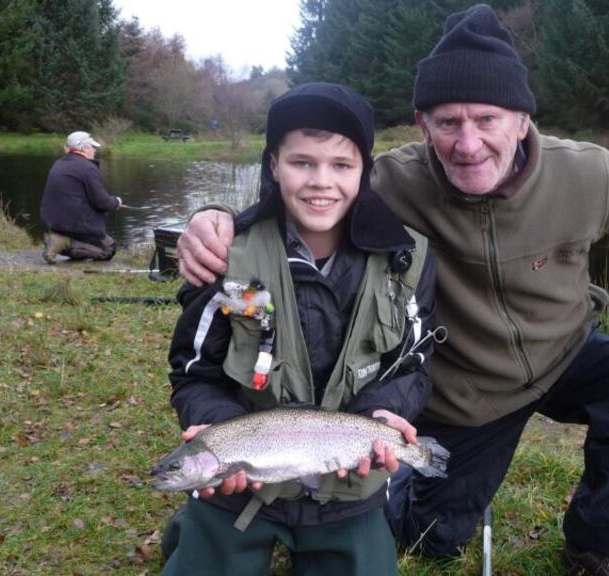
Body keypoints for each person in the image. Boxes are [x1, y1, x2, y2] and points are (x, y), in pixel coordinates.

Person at [176, 5, 609, 574]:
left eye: (487, 119)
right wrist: (215, 218)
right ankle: (256, 511)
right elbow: (304, 189)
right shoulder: (389, 181)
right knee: (427, 541)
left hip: (569, 353)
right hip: (470, 396)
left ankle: (598, 546)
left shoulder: (590, 176)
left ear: (522, 120)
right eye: (448, 122)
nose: (467, 144)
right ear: (423, 125)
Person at [160, 82, 437, 575]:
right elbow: (194, 374)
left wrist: (387, 414)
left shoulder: (405, 259)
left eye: (341, 165)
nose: (320, 181)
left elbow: (413, 367)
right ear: (272, 166)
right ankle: (197, 529)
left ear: (364, 173)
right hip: (240, 494)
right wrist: (217, 426)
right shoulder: (230, 256)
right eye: (301, 162)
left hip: (349, 487)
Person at [39, 131, 121, 264]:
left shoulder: (58, 163)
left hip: (54, 223)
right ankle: (64, 242)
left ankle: (59, 239)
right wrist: (116, 202)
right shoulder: (88, 168)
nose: (94, 150)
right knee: (109, 249)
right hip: (74, 224)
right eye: (92, 147)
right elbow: (102, 203)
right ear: (83, 148)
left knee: (98, 243)